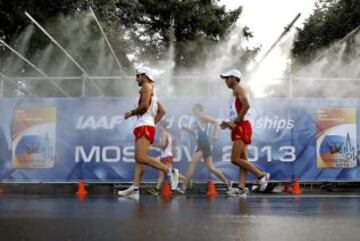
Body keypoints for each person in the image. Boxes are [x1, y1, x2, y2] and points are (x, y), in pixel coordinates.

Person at [118, 66, 179, 199]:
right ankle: (135, 190)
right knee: (139, 161)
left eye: (138, 75)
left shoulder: (146, 86)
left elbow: (145, 106)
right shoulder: (151, 91)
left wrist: (131, 113)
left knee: (140, 157)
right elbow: (162, 111)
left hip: (144, 125)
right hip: (145, 125)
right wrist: (152, 123)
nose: (136, 79)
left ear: (145, 76)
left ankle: (170, 171)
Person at [220, 69, 269, 197]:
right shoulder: (236, 90)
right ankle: (241, 188)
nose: (225, 81)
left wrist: (236, 121)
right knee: (242, 159)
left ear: (234, 78)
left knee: (234, 159)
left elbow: (246, 106)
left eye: (227, 78)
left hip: (242, 126)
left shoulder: (238, 88)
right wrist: (229, 123)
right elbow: (239, 109)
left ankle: (261, 175)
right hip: (240, 125)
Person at [180, 103, 231, 194]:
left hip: (203, 144)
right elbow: (195, 133)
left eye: (194, 110)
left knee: (192, 165)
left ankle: (183, 188)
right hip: (203, 144)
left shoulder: (203, 117)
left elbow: (216, 122)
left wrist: (216, 135)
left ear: (199, 110)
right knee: (211, 168)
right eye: (193, 110)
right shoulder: (198, 120)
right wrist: (186, 129)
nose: (193, 112)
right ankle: (227, 182)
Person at [149, 120, 185, 195]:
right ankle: (156, 190)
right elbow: (172, 143)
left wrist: (154, 145)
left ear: (162, 126)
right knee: (162, 174)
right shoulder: (168, 134)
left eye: (158, 125)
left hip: (166, 156)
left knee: (171, 172)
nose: (157, 127)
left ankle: (186, 180)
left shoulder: (163, 133)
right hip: (166, 155)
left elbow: (163, 145)